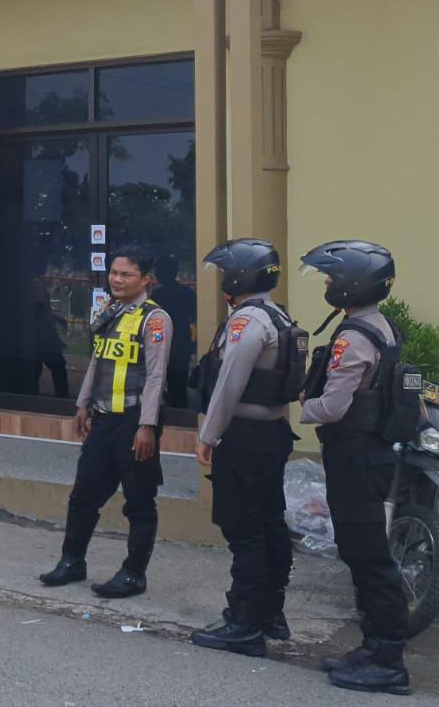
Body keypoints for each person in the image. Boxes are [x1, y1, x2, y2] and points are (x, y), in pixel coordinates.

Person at [299, 240, 411, 696]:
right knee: (360, 551)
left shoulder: (353, 337)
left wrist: (306, 405)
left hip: (356, 456)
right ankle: (372, 646)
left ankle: (389, 661)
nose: (326, 284)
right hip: (370, 454)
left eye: (330, 277)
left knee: (368, 557)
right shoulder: (384, 328)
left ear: (350, 285)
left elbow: (333, 405)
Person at [40, 244, 169, 598]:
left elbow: (157, 377)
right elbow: (97, 359)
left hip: (134, 421)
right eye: (113, 272)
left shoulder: (154, 319)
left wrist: (147, 426)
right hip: (103, 419)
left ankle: (133, 574)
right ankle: (71, 561)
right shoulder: (110, 311)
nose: (117, 279)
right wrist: (82, 404)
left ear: (145, 279)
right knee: (83, 494)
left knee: (139, 502)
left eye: (126, 274)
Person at [189, 238, 298, 658]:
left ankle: (245, 623)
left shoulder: (246, 322)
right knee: (270, 523)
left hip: (245, 438)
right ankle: (271, 612)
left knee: (245, 530)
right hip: (271, 435)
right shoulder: (279, 314)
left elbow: (229, 384)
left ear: (239, 275)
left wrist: (208, 435)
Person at [153, 256, 199, 409]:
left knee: (156, 381)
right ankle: (179, 410)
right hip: (180, 343)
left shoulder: (157, 295)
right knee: (178, 384)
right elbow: (194, 317)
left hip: (161, 342)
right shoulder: (187, 293)